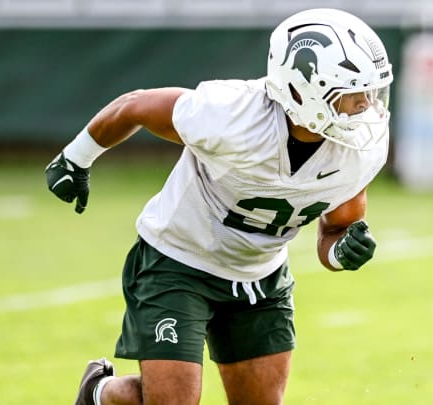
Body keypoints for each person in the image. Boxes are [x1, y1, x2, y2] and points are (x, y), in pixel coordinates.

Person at [45, 8, 393, 405]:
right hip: (178, 261)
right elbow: (138, 105)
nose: (367, 106)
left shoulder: (357, 149)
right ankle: (100, 393)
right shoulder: (232, 115)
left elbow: (335, 232)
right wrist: (76, 157)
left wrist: (343, 253)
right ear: (304, 89)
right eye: (354, 93)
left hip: (260, 276)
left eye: (371, 91)